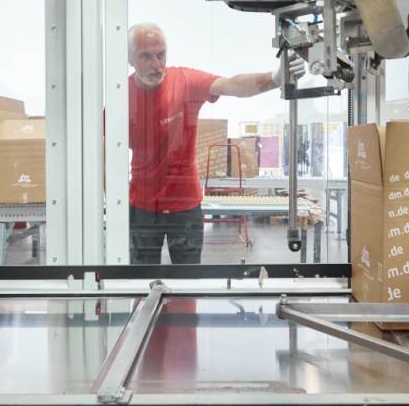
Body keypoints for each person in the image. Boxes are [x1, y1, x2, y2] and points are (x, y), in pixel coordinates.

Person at [126, 22, 305, 264]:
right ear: (130, 58)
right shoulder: (122, 95)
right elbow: (104, 150)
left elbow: (232, 85)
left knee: (188, 286)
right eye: (146, 56)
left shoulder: (185, 82)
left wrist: (275, 78)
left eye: (161, 54)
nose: (156, 65)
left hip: (184, 204)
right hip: (143, 206)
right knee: (141, 281)